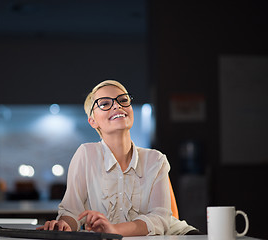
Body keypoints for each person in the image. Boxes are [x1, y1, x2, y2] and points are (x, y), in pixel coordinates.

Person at [37, 80, 199, 236]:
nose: (117, 105)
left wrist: (114, 230)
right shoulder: (86, 154)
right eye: (105, 103)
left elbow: (160, 218)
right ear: (93, 121)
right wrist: (64, 226)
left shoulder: (156, 160)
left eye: (123, 100)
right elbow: (72, 211)